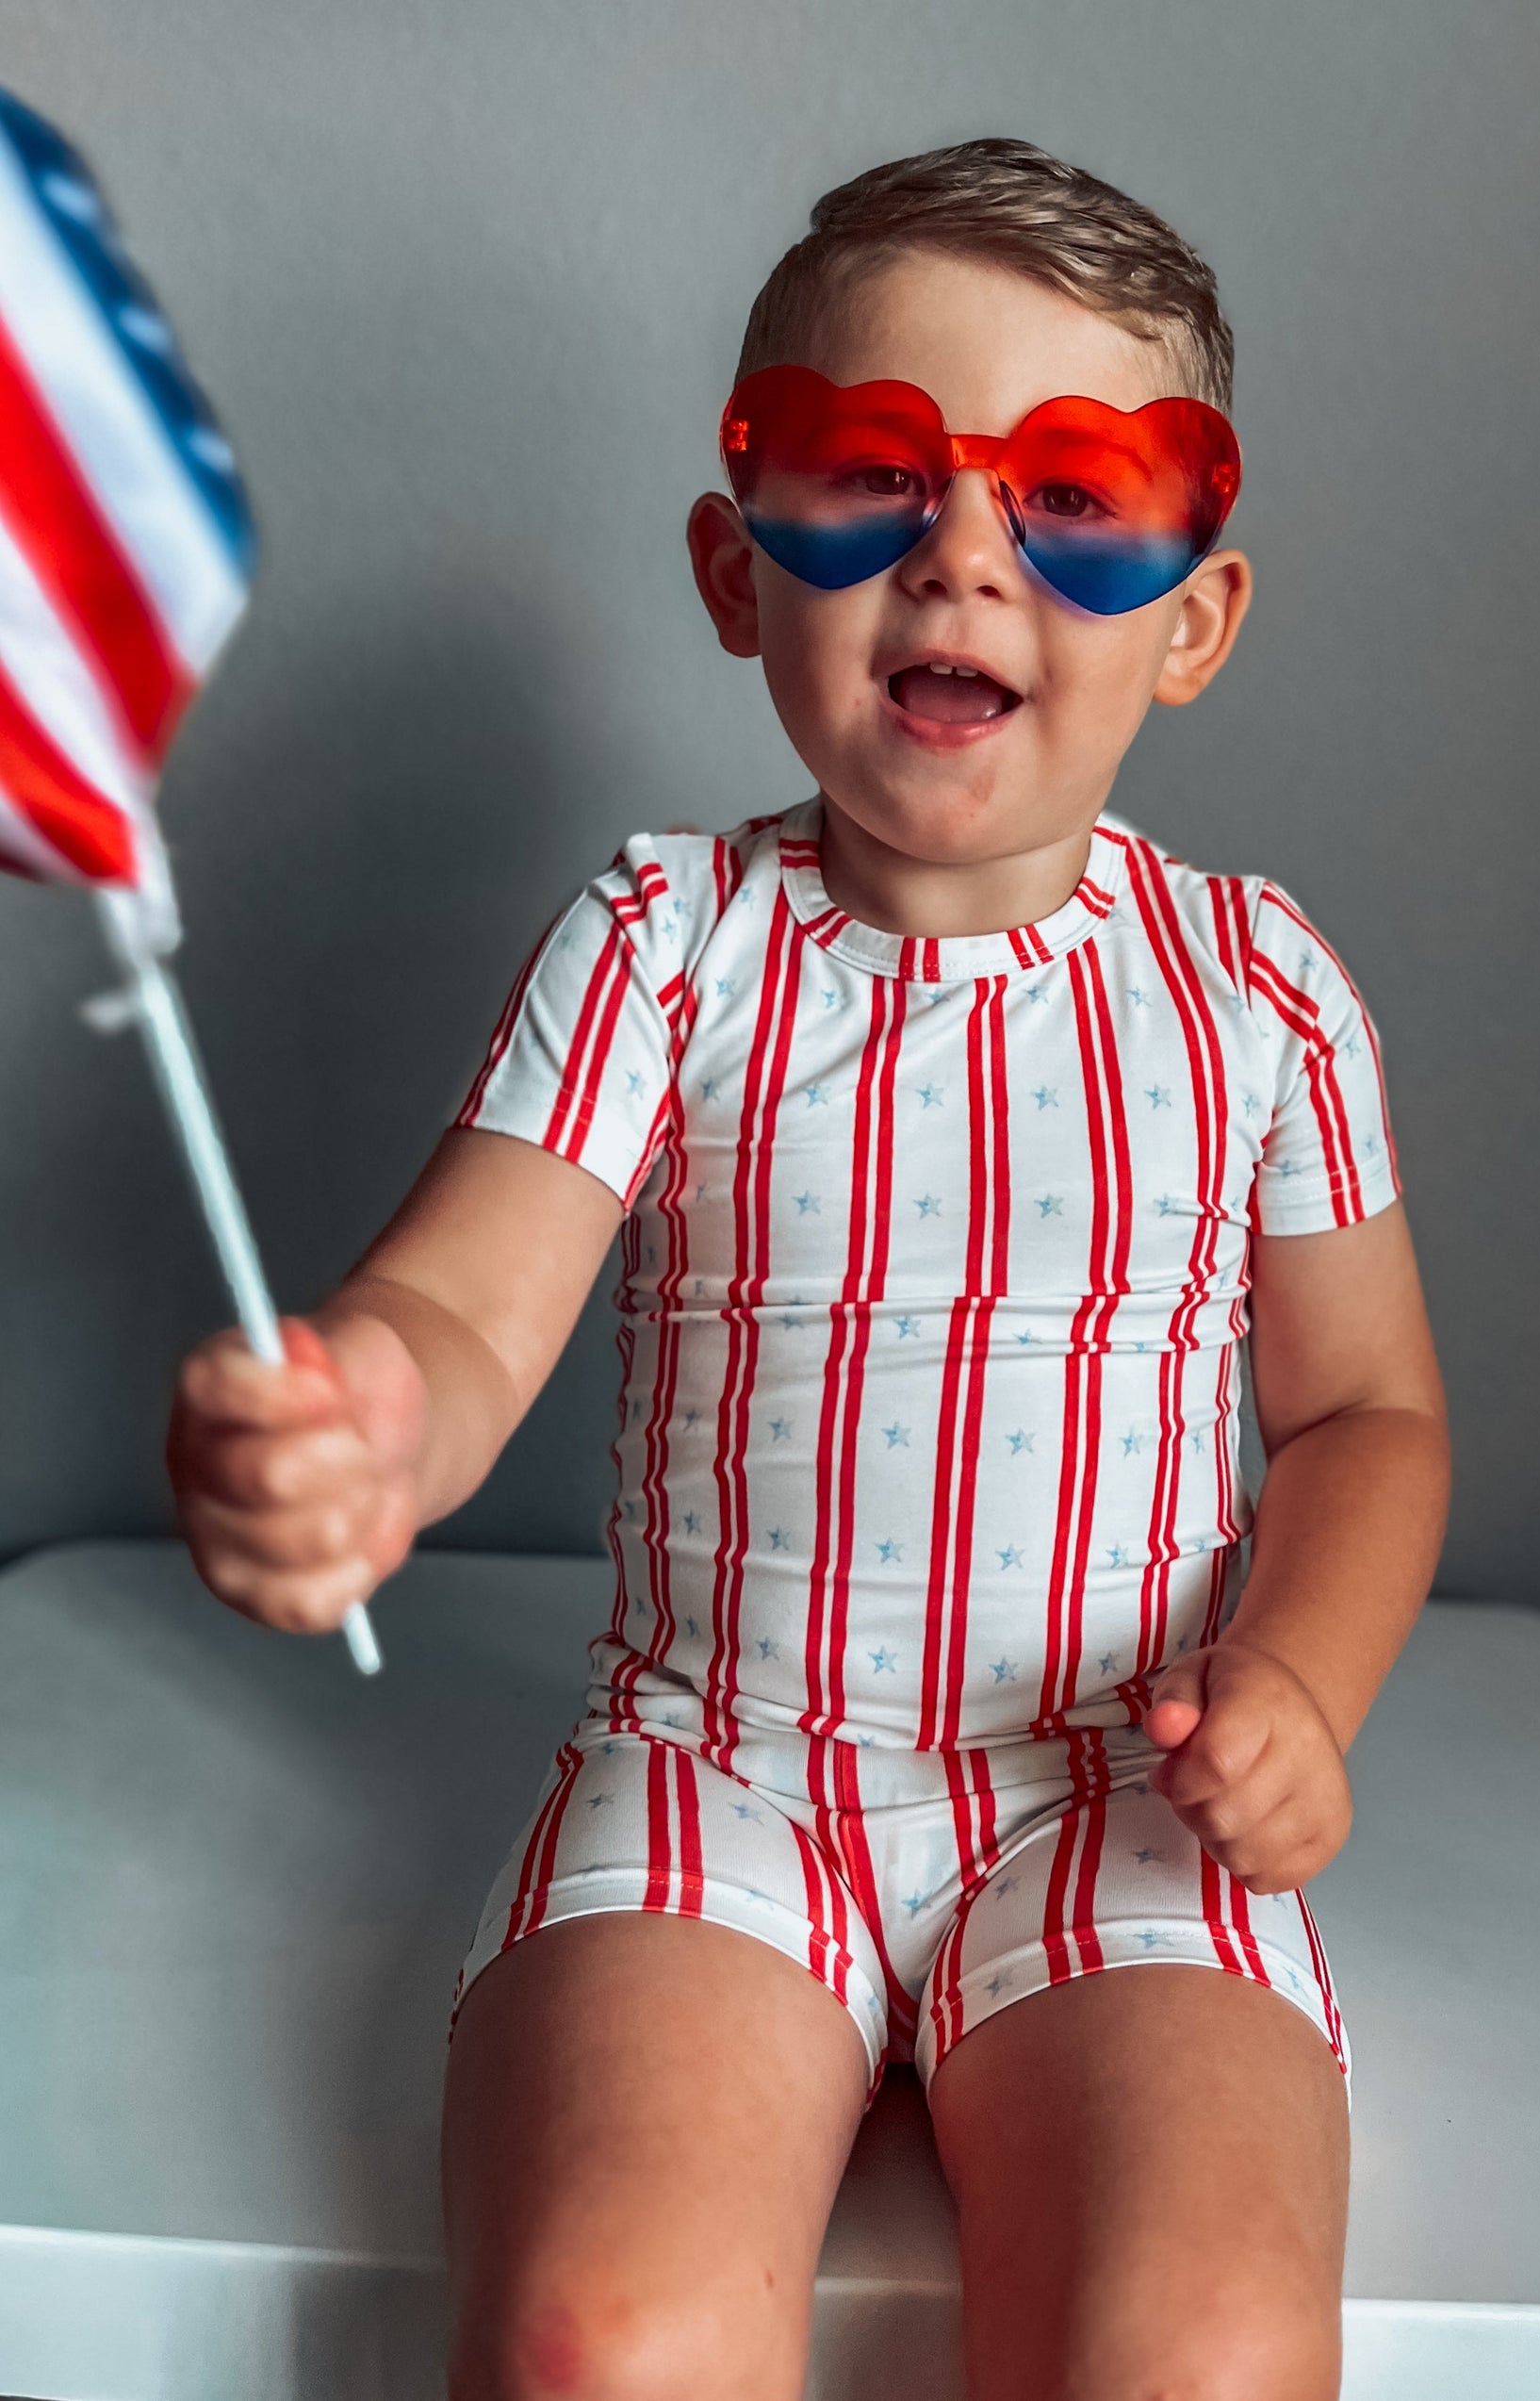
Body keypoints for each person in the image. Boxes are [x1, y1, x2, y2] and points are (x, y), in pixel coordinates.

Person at [166, 138, 1450, 2401]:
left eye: (1076, 496)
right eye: (872, 473)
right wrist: (357, 1414)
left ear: (1192, 614)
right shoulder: (662, 947)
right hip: (719, 1770)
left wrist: (1303, 1687)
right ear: (734, 563)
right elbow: (463, 1309)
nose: (963, 550)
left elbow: (1363, 1414)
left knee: (1205, 2343)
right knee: (597, 2333)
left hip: (1115, 1782)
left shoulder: (1258, 993)